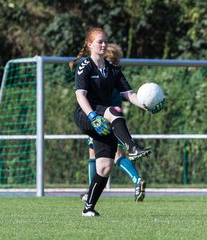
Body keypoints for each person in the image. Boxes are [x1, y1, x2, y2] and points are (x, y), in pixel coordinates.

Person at [70, 28, 163, 217]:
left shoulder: (113, 70)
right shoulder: (84, 66)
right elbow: (80, 96)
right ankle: (133, 147)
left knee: (104, 167)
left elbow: (130, 95)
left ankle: (88, 208)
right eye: (99, 42)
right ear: (89, 45)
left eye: (105, 41)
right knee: (114, 111)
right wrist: (92, 117)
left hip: (102, 119)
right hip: (85, 114)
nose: (104, 45)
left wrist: (147, 106)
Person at [81, 43, 146, 203]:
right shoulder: (115, 73)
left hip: (103, 118)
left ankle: (136, 180)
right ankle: (92, 192)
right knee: (100, 153)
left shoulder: (106, 75)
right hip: (116, 118)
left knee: (111, 155)